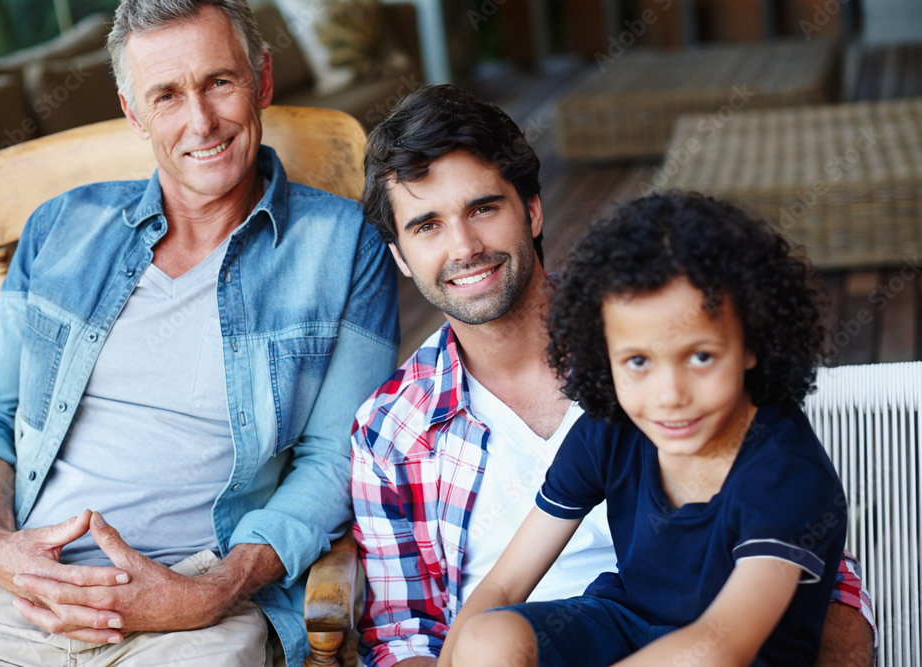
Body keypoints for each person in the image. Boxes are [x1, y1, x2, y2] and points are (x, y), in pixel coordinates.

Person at [0, 0, 398, 664]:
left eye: (219, 83)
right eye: (167, 95)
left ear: (261, 79)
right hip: (19, 597)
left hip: (197, 607)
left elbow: (338, 460)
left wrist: (213, 589)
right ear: (133, 111)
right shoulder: (60, 230)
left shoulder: (343, 245)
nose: (200, 121)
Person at [351, 83, 875, 667]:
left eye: (483, 208)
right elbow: (412, 632)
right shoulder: (392, 429)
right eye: (427, 226)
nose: (465, 246)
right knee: (486, 639)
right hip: (583, 633)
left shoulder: (653, 327)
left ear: (532, 209)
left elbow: (776, 605)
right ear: (399, 255)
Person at [441, 191, 846, 666]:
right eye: (638, 361)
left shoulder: (786, 472)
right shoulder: (609, 430)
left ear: (752, 344)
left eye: (701, 357)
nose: (669, 394)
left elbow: (719, 647)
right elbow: (505, 584)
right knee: (488, 640)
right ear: (604, 356)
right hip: (627, 627)